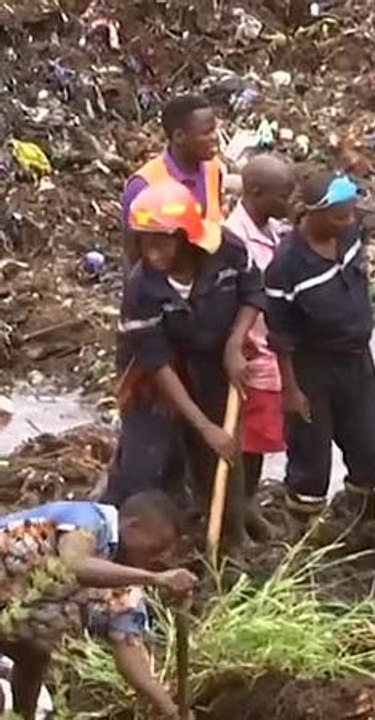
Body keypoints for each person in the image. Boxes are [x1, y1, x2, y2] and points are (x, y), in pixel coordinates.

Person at [105, 181, 262, 551]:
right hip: (153, 376)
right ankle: (129, 541)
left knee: (223, 453)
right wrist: (205, 426)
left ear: (186, 238)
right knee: (147, 460)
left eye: (161, 241)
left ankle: (230, 535)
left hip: (213, 358)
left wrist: (235, 344)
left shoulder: (228, 250)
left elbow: (253, 292)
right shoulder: (141, 287)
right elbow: (157, 363)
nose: (151, 251)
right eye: (143, 241)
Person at [264, 171, 375, 547]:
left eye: (351, 212)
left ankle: (366, 524)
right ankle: (304, 543)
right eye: (340, 215)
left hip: (357, 363)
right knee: (311, 464)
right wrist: (291, 390)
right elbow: (280, 334)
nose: (349, 220)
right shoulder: (286, 266)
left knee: (370, 450)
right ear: (312, 214)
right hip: (311, 370)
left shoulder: (352, 236)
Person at [0, 492, 198, 719]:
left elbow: (128, 651)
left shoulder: (124, 586)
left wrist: (173, 712)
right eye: (154, 549)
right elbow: (75, 564)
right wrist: (157, 578)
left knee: (35, 656)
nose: (157, 560)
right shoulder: (91, 519)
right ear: (133, 527)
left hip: (8, 614)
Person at [221, 154, 296, 542]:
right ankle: (237, 517)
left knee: (261, 440)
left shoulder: (274, 231)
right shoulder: (233, 239)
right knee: (243, 442)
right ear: (254, 192)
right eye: (283, 195)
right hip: (250, 353)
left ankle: (249, 505)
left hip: (272, 352)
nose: (289, 201)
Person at [121, 94, 223, 266]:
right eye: (207, 132)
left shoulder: (213, 168)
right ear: (179, 137)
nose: (215, 138)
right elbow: (133, 252)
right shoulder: (145, 184)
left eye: (215, 130)